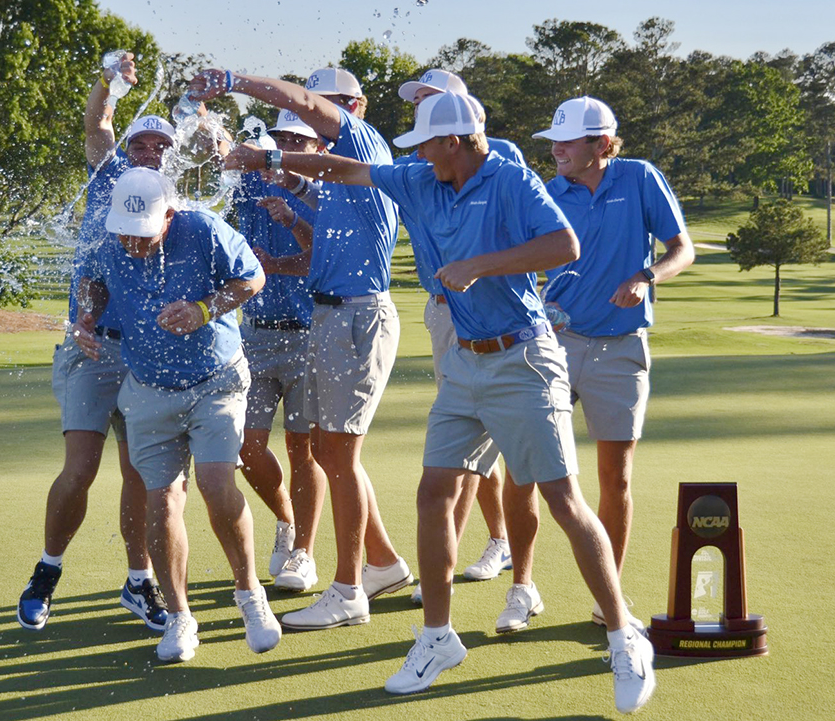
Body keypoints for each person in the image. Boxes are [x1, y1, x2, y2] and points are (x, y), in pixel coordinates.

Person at [224, 92, 657, 714]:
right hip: (463, 364)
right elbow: (344, 169)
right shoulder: (422, 178)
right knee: (434, 492)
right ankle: (436, 637)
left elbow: (564, 245)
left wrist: (479, 265)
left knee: (563, 500)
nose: (419, 155)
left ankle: (622, 637)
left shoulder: (510, 180)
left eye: (427, 144)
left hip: (522, 359)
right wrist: (267, 157)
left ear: (454, 141)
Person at [191, 67, 413, 630]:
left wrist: (235, 79)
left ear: (353, 107)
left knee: (336, 456)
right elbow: (308, 200)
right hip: (334, 317)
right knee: (336, 455)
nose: (313, 112)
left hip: (355, 315)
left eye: (323, 105)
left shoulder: (360, 140)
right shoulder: (336, 174)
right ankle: (382, 565)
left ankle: (348, 589)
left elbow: (292, 112)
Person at [74, 166, 281, 662]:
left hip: (216, 379)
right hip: (147, 389)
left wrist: (205, 308)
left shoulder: (204, 228)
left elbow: (253, 276)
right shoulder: (110, 237)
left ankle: (250, 594)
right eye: (125, 231)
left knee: (214, 482)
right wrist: (85, 315)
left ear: (170, 215)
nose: (132, 242)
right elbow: (93, 283)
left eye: (142, 232)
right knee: (162, 502)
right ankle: (180, 617)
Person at [518, 96, 695, 627]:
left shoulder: (639, 179)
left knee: (614, 478)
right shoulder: (550, 193)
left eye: (566, 141)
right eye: (553, 141)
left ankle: (607, 600)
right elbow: (524, 264)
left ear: (601, 143)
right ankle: (521, 586)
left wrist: (647, 278)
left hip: (621, 348)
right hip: (557, 345)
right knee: (525, 467)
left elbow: (682, 249)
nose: (555, 150)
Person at [16, 52, 172, 633]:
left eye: (161, 146)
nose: (150, 152)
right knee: (80, 469)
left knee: (143, 474)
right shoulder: (107, 173)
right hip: (92, 347)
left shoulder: (173, 199)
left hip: (146, 357)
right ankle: (46, 574)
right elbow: (97, 123)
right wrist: (109, 78)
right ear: (128, 147)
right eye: (143, 143)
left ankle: (140, 582)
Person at [395, 70, 523, 606]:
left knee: (476, 444)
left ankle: (471, 557)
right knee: (467, 440)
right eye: (417, 103)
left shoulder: (501, 160)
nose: (420, 110)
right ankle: (492, 543)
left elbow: (533, 236)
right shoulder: (416, 167)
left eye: (430, 102)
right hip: (442, 307)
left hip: (492, 311)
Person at [232, 109, 328, 591]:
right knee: (247, 446)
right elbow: (222, 159)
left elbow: (319, 264)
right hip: (255, 335)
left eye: (298, 139)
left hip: (310, 334)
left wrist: (291, 225)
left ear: (317, 149)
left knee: (302, 450)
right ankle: (287, 523)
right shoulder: (252, 185)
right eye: (281, 138)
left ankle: (304, 554)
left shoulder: (328, 194)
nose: (287, 145)